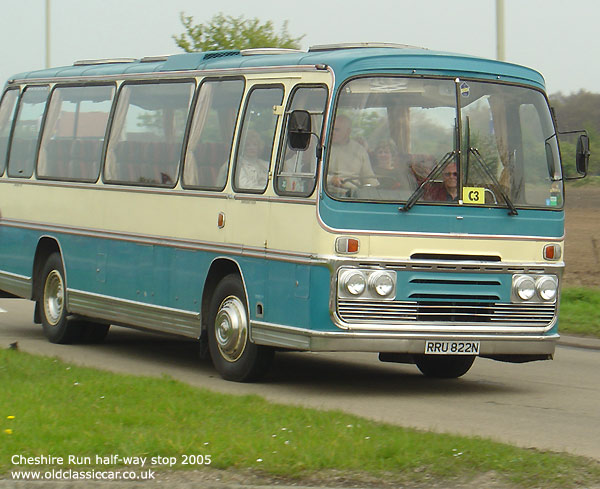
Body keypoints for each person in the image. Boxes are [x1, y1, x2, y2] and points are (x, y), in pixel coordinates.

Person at [327, 115, 378, 195]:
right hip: (328, 194)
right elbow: (315, 175)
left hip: (354, 196)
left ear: (348, 132)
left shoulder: (359, 150)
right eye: (332, 129)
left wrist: (375, 189)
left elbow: (369, 177)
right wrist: (331, 179)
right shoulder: (323, 148)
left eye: (337, 130)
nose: (333, 132)